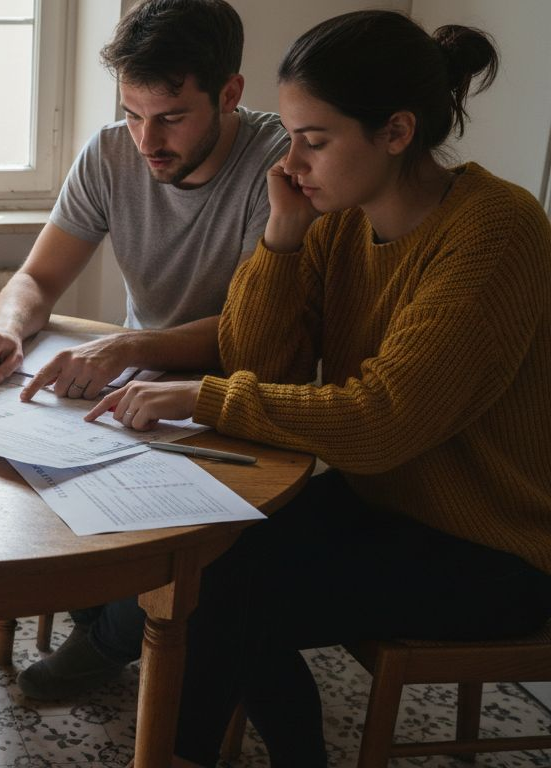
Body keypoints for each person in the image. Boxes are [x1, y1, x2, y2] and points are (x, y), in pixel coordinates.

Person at [86, 10, 551, 766]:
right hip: (382, 504)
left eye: (314, 140)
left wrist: (201, 397)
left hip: (495, 547)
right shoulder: (334, 220)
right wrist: (281, 236)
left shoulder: (497, 229)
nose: (289, 161)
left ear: (396, 133)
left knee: (226, 598)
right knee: (210, 561)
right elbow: (257, 361)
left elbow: (384, 420)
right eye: (291, 137)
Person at [0, 0, 288, 700]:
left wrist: (125, 347)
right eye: (133, 113)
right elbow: (37, 278)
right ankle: (108, 622)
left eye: (170, 116)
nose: (146, 139)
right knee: (35, 476)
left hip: (243, 390)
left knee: (186, 542)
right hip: (136, 383)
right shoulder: (112, 151)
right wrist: (8, 326)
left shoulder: (279, 166)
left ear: (229, 94)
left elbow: (251, 326)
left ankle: (107, 641)